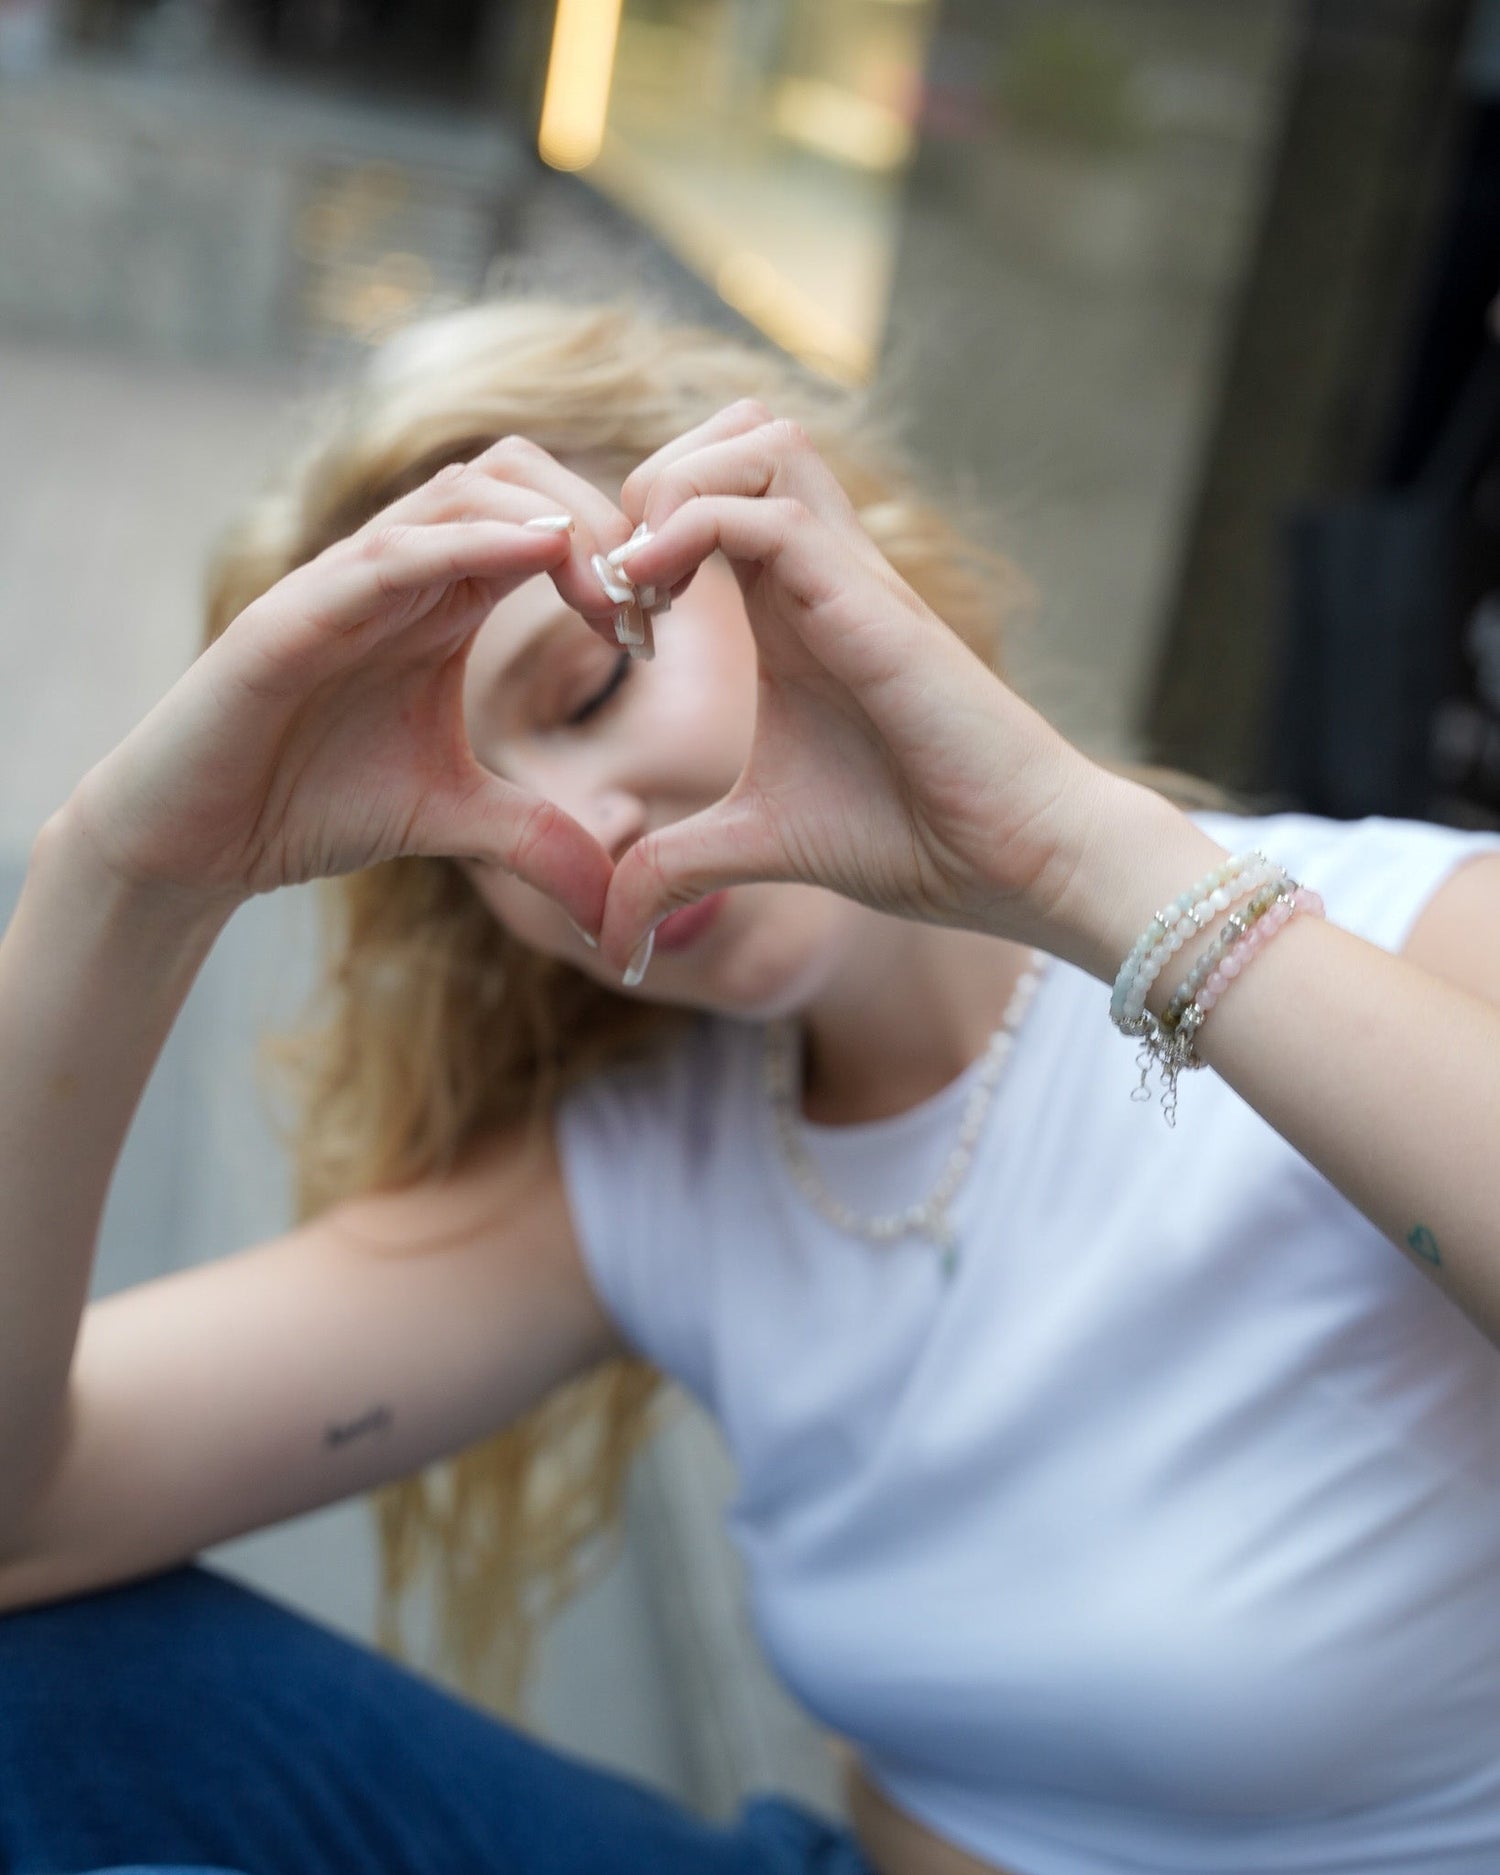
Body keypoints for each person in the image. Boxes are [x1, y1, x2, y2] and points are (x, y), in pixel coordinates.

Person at [2, 297, 1499, 1875]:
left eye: (589, 688)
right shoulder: (655, 1160)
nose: (589, 808)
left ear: (798, 549)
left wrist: (1074, 860)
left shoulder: (1412, 933)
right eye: (473, 809)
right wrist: (120, 879)